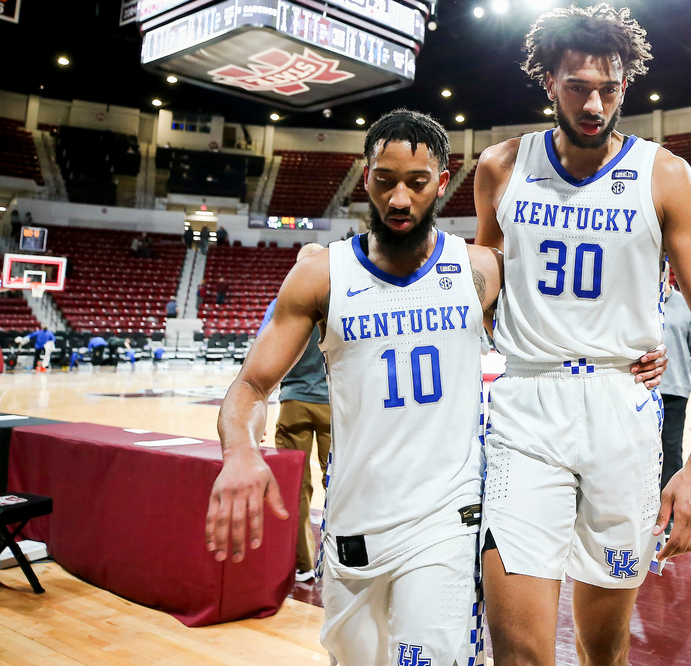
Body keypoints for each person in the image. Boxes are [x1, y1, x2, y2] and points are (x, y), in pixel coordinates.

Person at [472, 3, 691, 666]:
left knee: (604, 649)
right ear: (549, 82)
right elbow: (484, 281)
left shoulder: (664, 174)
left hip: (624, 409)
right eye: (579, 86)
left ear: (626, 85)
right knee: (521, 651)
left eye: (610, 88)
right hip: (526, 409)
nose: (596, 103)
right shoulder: (501, 168)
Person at [207, 110, 503, 666]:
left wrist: (636, 357)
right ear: (364, 177)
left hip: (446, 521)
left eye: (416, 183)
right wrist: (240, 450)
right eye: (384, 180)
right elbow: (250, 385)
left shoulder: (478, 269)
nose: (398, 199)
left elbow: (563, 332)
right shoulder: (321, 273)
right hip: (353, 523)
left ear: (441, 184)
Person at [256, 244, 333, 583]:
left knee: (297, 487)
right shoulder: (339, 302)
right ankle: (341, 560)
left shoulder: (281, 304)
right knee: (343, 483)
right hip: (335, 406)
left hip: (294, 402)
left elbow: (262, 357)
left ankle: (304, 564)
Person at [658, 285, 691, 494]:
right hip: (640, 387)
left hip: (675, 390)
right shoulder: (639, 300)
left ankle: (669, 508)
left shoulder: (686, 304)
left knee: (671, 450)